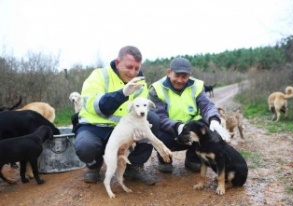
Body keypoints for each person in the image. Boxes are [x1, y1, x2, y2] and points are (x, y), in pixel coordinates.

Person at [74, 45, 158, 185]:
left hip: (122, 129)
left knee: (153, 119)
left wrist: (140, 130)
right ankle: (94, 166)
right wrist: (123, 93)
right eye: (129, 67)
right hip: (95, 126)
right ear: (118, 63)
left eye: (136, 68)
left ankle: (134, 166)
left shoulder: (141, 83)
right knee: (85, 146)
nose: (133, 72)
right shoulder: (99, 75)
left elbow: (140, 112)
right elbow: (98, 106)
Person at [148, 57, 230, 173]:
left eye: (184, 76)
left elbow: (207, 106)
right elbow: (160, 116)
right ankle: (164, 157)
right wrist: (178, 126)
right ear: (169, 72)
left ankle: (193, 158)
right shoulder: (156, 89)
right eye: (177, 75)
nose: (180, 80)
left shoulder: (196, 86)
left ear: (189, 75)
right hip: (170, 130)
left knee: (208, 125)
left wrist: (214, 120)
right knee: (154, 123)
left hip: (191, 130)